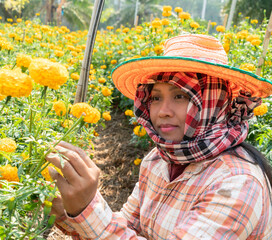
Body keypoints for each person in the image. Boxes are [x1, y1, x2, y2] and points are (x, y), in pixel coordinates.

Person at [45, 34, 272, 239]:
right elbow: (127, 226)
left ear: (214, 102)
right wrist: (68, 212)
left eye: (180, 96)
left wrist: (87, 208)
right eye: (155, 98)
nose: (163, 111)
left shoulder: (238, 182)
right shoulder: (157, 160)